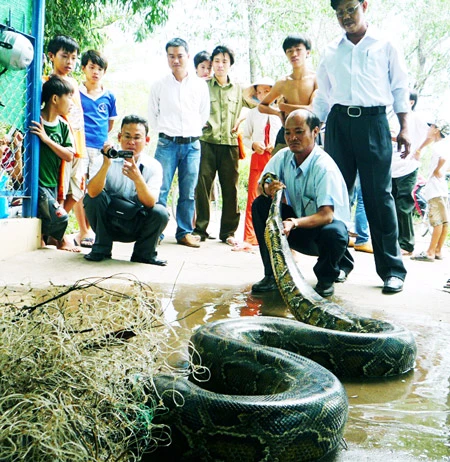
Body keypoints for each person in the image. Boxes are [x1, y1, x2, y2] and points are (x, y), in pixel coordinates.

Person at [313, 0, 410, 294]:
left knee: (379, 197)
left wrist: (404, 126)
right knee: (337, 195)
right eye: (339, 12)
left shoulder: (385, 44)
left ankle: (392, 270)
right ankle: (339, 263)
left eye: (350, 9)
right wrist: (311, 124)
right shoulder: (331, 49)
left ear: (364, 5)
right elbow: (323, 93)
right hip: (339, 125)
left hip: (374, 123)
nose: (345, 17)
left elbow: (399, 86)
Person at [251, 109, 353, 297]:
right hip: (296, 226)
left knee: (335, 233)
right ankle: (271, 275)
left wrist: (293, 222)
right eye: (288, 132)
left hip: (322, 229)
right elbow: (260, 187)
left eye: (299, 132)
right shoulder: (282, 156)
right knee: (260, 205)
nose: (292, 138)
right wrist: (268, 190)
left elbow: (327, 215)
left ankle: (326, 278)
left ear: (315, 132)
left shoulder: (324, 167)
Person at [148, 38, 210, 248]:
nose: (176, 60)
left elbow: (203, 115)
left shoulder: (200, 85)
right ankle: (156, 232)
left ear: (188, 56)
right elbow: (153, 115)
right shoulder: (159, 85)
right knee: (160, 189)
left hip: (192, 145)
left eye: (180, 56)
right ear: (167, 58)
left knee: (188, 191)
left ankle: (184, 232)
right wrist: (169, 132)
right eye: (171, 56)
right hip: (167, 144)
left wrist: (190, 133)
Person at [83, 115, 169, 265]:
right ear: (119, 137)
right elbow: (92, 193)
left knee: (160, 212)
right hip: (107, 220)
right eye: (127, 136)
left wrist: (138, 179)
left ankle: (144, 254)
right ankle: (101, 249)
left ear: (147, 141)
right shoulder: (103, 159)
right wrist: (106, 165)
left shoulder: (153, 166)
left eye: (137, 138)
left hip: (135, 223)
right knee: (94, 198)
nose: (131, 142)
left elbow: (150, 203)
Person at [194, 45, 253, 246]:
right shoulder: (202, 85)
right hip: (206, 142)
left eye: (224, 61)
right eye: (217, 61)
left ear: (230, 65)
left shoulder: (239, 89)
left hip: (229, 143)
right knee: (202, 185)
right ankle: (200, 230)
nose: (220, 65)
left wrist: (243, 117)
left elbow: (258, 103)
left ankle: (228, 232)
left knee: (231, 188)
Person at [47, 35, 87, 250]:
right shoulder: (49, 83)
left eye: (73, 57)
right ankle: (59, 237)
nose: (69, 62)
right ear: (52, 56)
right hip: (62, 144)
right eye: (65, 56)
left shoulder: (73, 82)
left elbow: (77, 115)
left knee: (77, 190)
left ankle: (55, 232)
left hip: (78, 144)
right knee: (61, 191)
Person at [28, 75, 77, 251]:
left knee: (47, 215)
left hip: (53, 182)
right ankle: (61, 241)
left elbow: (69, 155)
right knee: (59, 216)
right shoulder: (35, 119)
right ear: (55, 99)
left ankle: (48, 240)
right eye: (69, 97)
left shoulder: (63, 126)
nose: (71, 102)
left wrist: (46, 139)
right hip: (36, 181)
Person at [78, 49, 118, 248]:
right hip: (79, 147)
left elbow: (109, 124)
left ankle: (94, 230)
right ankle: (82, 230)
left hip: (98, 150)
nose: (95, 72)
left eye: (99, 68)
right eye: (92, 67)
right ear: (84, 68)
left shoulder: (109, 96)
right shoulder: (76, 93)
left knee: (94, 190)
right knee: (78, 188)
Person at [258, 34, 317, 155]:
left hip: (309, 133)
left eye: (298, 49)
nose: (294, 54)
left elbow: (312, 109)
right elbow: (261, 106)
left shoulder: (315, 79)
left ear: (308, 52)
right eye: (290, 51)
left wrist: (285, 107)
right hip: (286, 133)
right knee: (280, 171)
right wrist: (278, 113)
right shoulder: (282, 83)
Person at [240, 77, 282, 248]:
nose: (263, 95)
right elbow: (246, 137)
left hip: (276, 158)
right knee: (253, 196)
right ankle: (250, 237)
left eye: (267, 91)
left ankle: (274, 235)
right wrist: (254, 145)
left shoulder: (280, 112)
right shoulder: (253, 113)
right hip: (258, 158)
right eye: (259, 92)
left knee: (276, 196)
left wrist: (276, 146)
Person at [390, 90, 430, 256]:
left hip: (408, 167)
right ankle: (395, 241)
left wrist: (419, 149)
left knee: (403, 205)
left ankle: (407, 244)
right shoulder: (392, 117)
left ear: (411, 102)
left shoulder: (417, 118)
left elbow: (433, 133)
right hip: (392, 167)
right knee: (390, 205)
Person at [411, 120, 449, 262]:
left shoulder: (438, 147)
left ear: (436, 130)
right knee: (444, 221)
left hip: (435, 189)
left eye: (431, 126)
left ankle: (430, 252)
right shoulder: (446, 146)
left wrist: (438, 170)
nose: (429, 129)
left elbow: (443, 159)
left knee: (437, 221)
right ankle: (438, 250)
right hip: (442, 188)